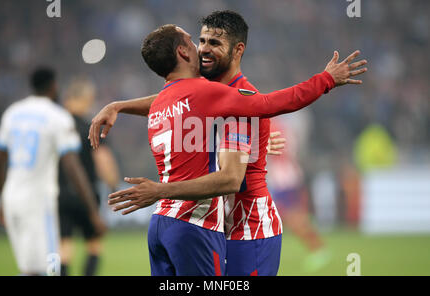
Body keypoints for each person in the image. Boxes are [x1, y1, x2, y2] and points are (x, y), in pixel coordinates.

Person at [90, 12, 367, 276]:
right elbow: (172, 97)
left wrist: (326, 80)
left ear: (237, 50)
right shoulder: (204, 92)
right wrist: (119, 105)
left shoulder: (239, 98)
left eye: (215, 43)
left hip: (248, 229)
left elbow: (275, 104)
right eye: (201, 41)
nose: (204, 49)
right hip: (217, 226)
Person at [0, 67, 106, 276]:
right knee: (50, 267)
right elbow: (73, 166)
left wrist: (1, 199)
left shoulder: (12, 113)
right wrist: (92, 210)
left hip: (11, 199)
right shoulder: (57, 117)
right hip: (39, 202)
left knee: (30, 268)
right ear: (54, 86)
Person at [58, 77, 120, 276]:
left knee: (62, 248)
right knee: (94, 244)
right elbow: (104, 162)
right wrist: (112, 186)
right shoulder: (90, 127)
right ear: (85, 99)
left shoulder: (56, 128)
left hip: (59, 194)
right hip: (87, 194)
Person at [267, 116, 331, 273]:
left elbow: (274, 153)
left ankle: (318, 249)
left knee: (291, 216)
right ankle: (317, 248)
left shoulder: (271, 126)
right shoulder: (283, 126)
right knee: (288, 216)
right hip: (287, 175)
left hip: (283, 178)